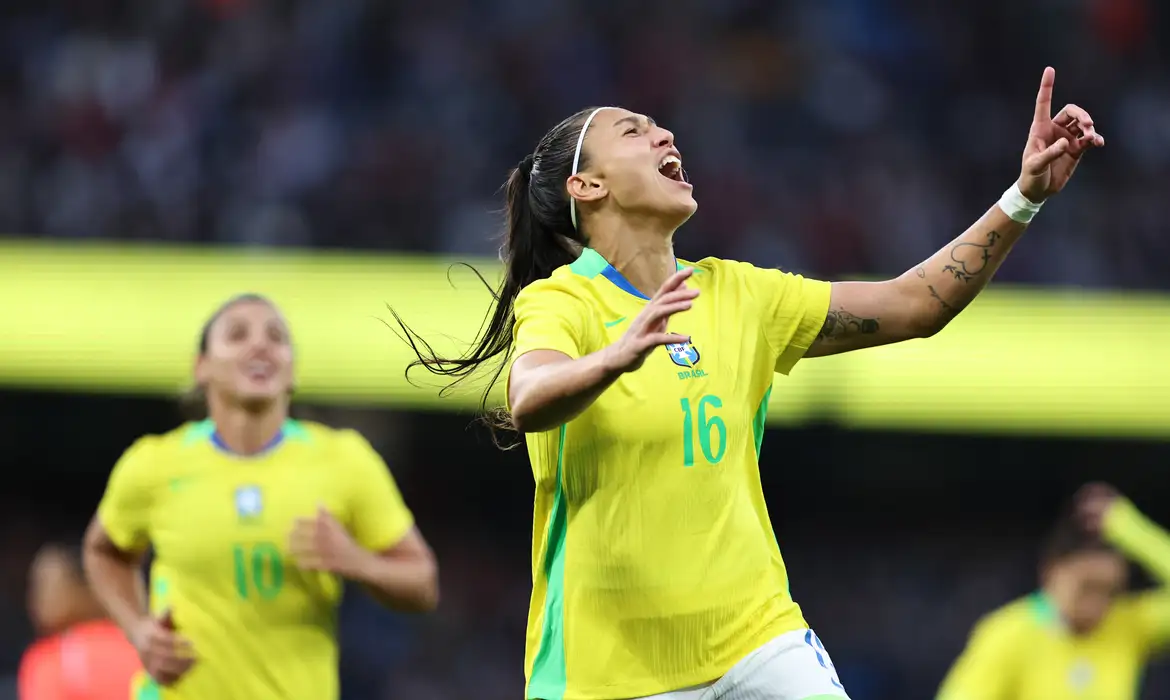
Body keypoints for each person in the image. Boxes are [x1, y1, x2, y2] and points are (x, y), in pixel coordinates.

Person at [394, 67, 1102, 700]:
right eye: (633, 131)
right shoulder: (562, 300)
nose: (664, 133)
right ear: (588, 186)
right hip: (609, 671)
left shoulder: (740, 295)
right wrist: (614, 358)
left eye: (658, 125)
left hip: (755, 639)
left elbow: (915, 304)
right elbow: (529, 397)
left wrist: (1024, 197)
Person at [82, 293, 439, 700]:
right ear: (201, 367)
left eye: (277, 337)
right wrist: (138, 630)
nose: (260, 345)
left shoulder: (344, 461)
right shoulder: (154, 464)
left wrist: (357, 561)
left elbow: (423, 583)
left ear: (292, 371)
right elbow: (103, 551)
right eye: (237, 335)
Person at [936, 483, 1170, 700]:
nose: (1096, 603)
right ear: (1051, 572)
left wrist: (1129, 528)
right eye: (1087, 587)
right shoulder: (1008, 633)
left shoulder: (1128, 625)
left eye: (1109, 591)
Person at [18, 542, 141, 700]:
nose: (38, 598)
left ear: (87, 586)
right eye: (35, 586)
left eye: (49, 585)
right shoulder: (140, 637)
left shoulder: (51, 658)